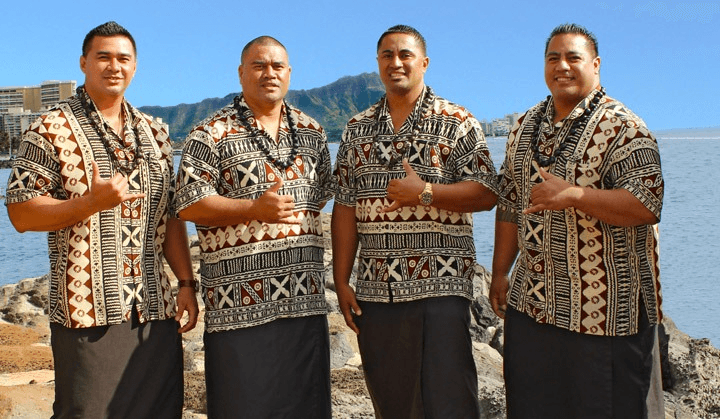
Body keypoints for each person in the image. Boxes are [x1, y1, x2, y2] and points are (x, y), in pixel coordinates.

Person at [5, 21, 198, 418]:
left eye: (123, 58)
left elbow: (170, 218)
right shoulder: (49, 128)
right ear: (84, 63)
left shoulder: (156, 134)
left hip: (155, 307)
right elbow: (20, 213)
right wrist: (90, 203)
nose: (114, 66)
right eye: (103, 57)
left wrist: (185, 283)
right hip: (86, 309)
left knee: (160, 412)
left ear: (135, 66)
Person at [490, 23, 665, 418]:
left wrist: (575, 196)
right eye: (553, 58)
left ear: (595, 64)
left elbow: (646, 203)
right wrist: (500, 271)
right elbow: (510, 202)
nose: (562, 66)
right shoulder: (524, 126)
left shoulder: (625, 127)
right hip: (532, 308)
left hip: (605, 318)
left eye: (573, 57)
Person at [332, 24, 499, 418]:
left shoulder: (457, 121)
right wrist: (341, 280)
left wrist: (425, 192)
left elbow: (487, 193)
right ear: (378, 63)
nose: (396, 62)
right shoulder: (356, 129)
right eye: (387, 55)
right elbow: (345, 206)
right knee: (391, 401)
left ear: (424, 62)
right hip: (376, 290)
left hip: (440, 288)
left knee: (449, 400)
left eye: (405, 54)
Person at [174, 36, 334, 419]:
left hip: (305, 303)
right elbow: (188, 204)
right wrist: (252, 209)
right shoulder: (209, 133)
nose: (269, 73)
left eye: (277, 66)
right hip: (237, 308)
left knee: (307, 409)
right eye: (259, 65)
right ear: (241, 73)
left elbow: (319, 199)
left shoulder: (313, 132)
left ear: (289, 73)